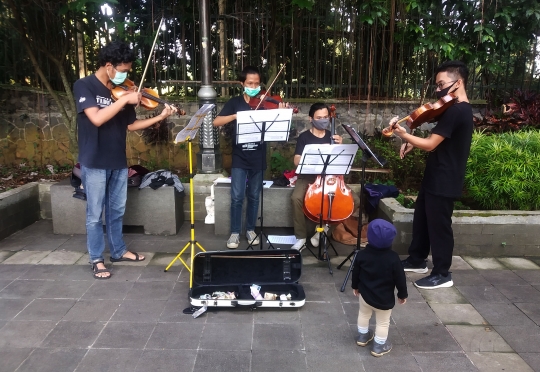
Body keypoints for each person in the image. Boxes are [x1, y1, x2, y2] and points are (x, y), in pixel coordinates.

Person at [74, 41, 177, 279]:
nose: (126, 75)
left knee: (117, 210)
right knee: (94, 213)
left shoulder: (124, 91)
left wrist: (159, 116)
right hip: (94, 159)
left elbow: (131, 125)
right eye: (123, 70)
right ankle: (97, 259)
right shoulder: (84, 85)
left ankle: (118, 251)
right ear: (109, 66)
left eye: (128, 70)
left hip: (118, 159)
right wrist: (122, 101)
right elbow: (97, 118)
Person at [389, 60, 473, 289]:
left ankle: (442, 273)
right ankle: (417, 259)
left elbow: (431, 144)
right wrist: (413, 143)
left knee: (439, 226)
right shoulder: (452, 109)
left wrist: (405, 136)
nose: (438, 90)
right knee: (423, 219)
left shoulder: (457, 111)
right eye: (437, 86)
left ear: (459, 83)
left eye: (441, 84)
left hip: (446, 177)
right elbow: (438, 140)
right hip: (436, 172)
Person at [213, 66, 288, 249]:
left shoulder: (265, 103)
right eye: (249, 83)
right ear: (242, 84)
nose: (254, 87)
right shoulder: (235, 102)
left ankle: (250, 229)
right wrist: (235, 116)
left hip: (258, 156)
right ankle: (234, 233)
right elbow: (217, 122)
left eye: (256, 83)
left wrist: (282, 112)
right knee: (237, 196)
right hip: (240, 156)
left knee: (254, 196)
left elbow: (278, 125)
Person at [290, 102, 360, 250]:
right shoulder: (304, 137)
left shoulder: (333, 136)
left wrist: (340, 146)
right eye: (319, 117)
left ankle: (325, 228)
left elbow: (342, 160)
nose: (323, 120)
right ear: (311, 119)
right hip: (309, 177)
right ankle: (301, 237)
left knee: (355, 200)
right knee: (296, 198)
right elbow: (296, 160)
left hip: (331, 178)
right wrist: (309, 157)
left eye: (326, 117)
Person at [351, 219, 407, 357]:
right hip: (384, 299)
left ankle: (362, 337)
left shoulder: (362, 255)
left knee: (363, 314)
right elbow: (400, 278)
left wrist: (355, 286)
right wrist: (402, 294)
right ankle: (379, 346)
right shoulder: (393, 258)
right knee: (383, 322)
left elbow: (356, 271)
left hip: (365, 296)